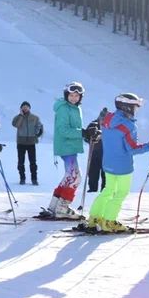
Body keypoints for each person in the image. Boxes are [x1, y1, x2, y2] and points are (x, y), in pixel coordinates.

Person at [85, 93, 149, 233]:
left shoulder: (106, 120)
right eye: (135, 107)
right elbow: (132, 149)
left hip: (107, 163)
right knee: (121, 193)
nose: (136, 110)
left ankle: (94, 218)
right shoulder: (128, 126)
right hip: (123, 166)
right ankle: (109, 221)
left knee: (107, 191)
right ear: (127, 107)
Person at [44, 82, 87, 220]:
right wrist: (83, 133)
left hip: (70, 146)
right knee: (75, 178)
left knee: (69, 176)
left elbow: (75, 127)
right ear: (66, 95)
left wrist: (87, 133)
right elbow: (63, 130)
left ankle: (54, 205)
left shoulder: (75, 108)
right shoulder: (64, 108)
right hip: (66, 146)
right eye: (71, 95)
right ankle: (62, 208)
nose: (74, 98)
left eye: (77, 96)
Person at [12, 101, 43, 185]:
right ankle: (22, 178)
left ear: (29, 108)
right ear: (21, 108)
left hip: (31, 142)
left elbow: (39, 126)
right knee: (21, 162)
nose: (25, 108)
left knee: (33, 162)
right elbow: (16, 125)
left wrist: (37, 133)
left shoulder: (35, 117)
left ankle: (34, 179)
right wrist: (21, 116)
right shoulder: (17, 117)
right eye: (23, 107)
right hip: (21, 142)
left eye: (27, 107)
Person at [86, 107, 108, 193]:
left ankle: (104, 190)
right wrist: (89, 136)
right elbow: (87, 137)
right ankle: (92, 189)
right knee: (93, 172)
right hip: (94, 153)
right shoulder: (93, 125)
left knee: (105, 173)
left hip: (106, 154)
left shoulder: (111, 126)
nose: (103, 121)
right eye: (102, 119)